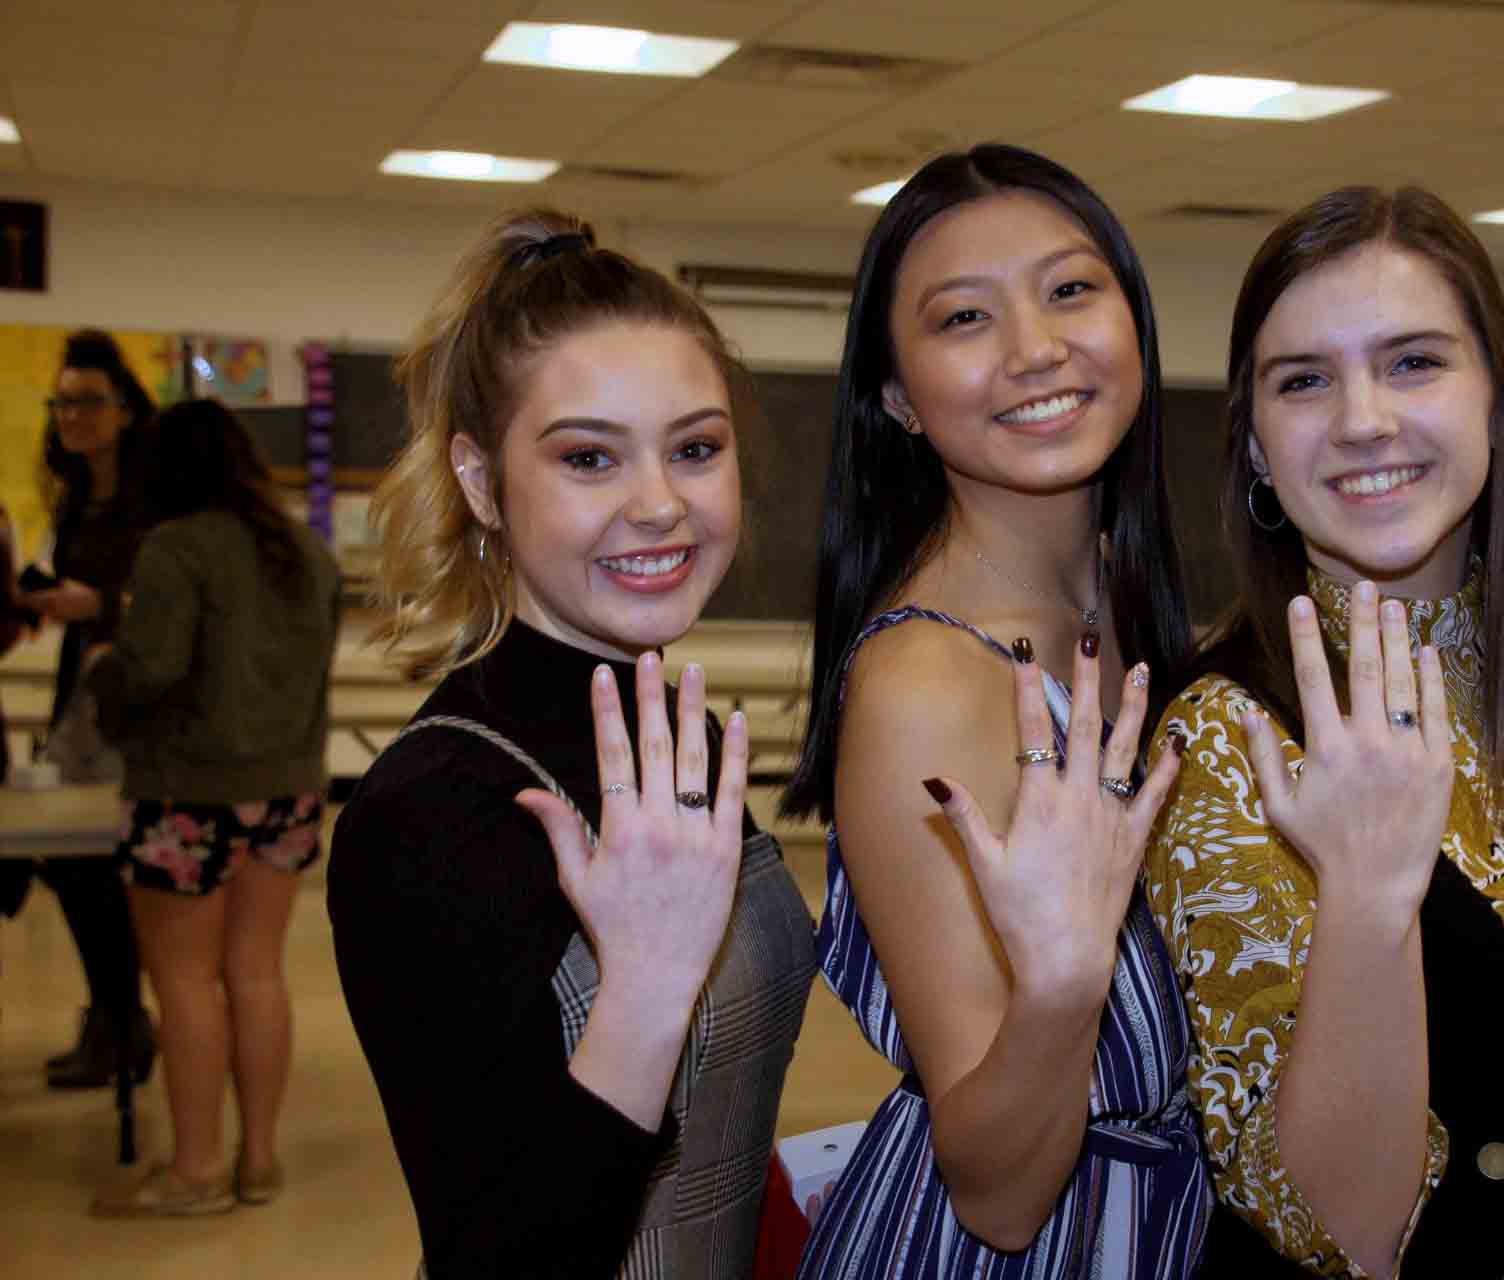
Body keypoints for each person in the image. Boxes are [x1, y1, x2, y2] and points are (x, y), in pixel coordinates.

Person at [1145, 186, 1504, 1280]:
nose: (1363, 419)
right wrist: (1368, 891)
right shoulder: (1224, 735)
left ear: (1498, 398)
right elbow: (1329, 1227)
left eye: (1413, 362)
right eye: (1303, 380)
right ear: (1256, 447)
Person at [328, 209, 815, 1278]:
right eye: (590, 457)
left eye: (695, 449)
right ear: (479, 481)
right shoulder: (433, 809)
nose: (661, 504)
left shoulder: (666, 731)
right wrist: (642, 990)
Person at [781, 144, 1208, 1279]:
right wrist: (1063, 981)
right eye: (966, 317)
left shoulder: (1129, 603)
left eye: (1070, 289)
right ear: (896, 397)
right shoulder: (927, 680)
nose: (1035, 348)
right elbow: (1001, 1193)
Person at [83, 399, 343, 1217]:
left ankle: (195, 1172)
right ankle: (257, 1160)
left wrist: (102, 667)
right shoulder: (307, 551)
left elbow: (151, 670)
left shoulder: (175, 547)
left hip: (187, 794)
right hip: (289, 790)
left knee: (186, 981)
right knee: (256, 973)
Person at [14, 329, 158, 1089]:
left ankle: (122, 1023)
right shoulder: (74, 499)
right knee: (69, 860)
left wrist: (96, 603)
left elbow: (164, 608)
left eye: (89, 402)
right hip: (79, 691)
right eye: (62, 403)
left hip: (131, 700)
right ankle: (114, 1016)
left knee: (95, 865)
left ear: (125, 409)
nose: (72, 416)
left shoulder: (151, 502)